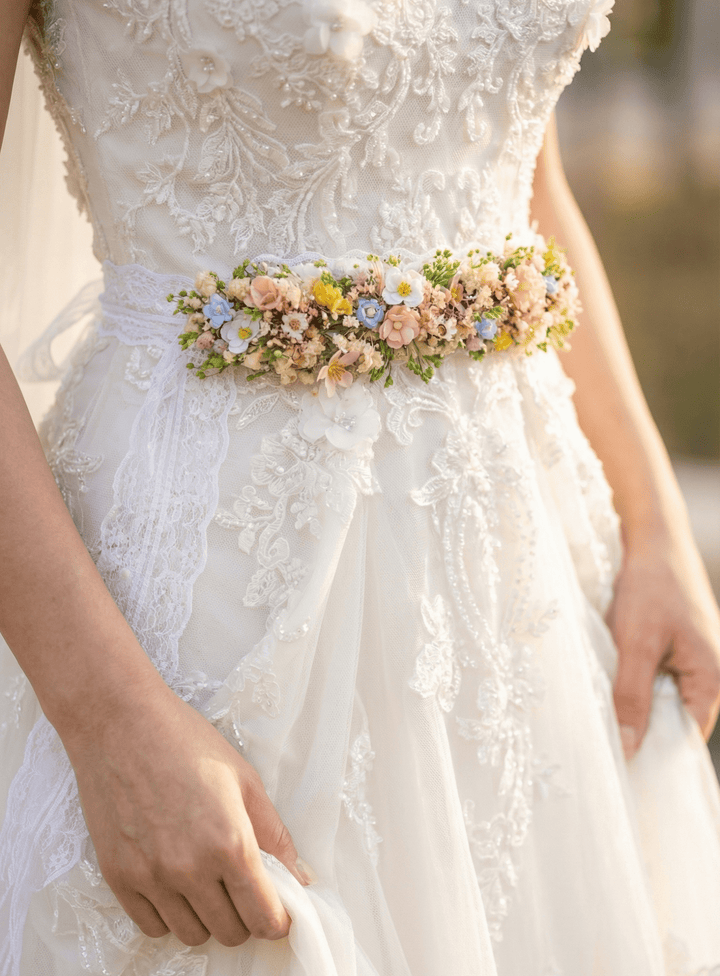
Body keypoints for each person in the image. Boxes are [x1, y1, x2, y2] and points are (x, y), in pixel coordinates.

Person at [1, 0, 720, 973]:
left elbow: (512, 167)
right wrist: (105, 719)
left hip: (534, 607)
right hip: (213, 622)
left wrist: (654, 519)